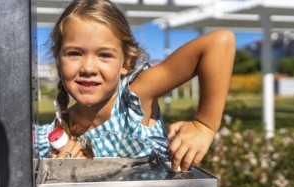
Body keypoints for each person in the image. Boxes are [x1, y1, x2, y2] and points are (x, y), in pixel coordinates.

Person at [36, 0, 235, 172]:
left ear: (125, 64)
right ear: (58, 60)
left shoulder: (135, 96)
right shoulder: (59, 129)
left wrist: (204, 126)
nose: (88, 68)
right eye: (74, 53)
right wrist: (60, 171)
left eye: (104, 55)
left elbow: (220, 42)